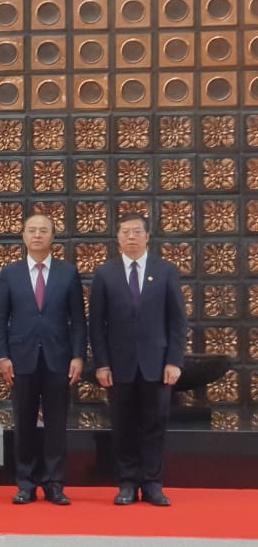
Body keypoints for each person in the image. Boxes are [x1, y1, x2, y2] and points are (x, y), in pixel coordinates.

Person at [90, 213, 186, 507]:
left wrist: (174, 361)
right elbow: (97, 324)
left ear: (148, 237)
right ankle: (128, 483)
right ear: (117, 238)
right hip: (119, 367)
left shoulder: (166, 270)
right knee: (123, 426)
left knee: (155, 425)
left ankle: (153, 483)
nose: (131, 237)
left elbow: (177, 321)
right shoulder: (104, 273)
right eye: (125, 232)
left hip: (157, 365)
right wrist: (102, 363)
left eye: (136, 232)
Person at [0, 214, 86, 506]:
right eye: (32, 230)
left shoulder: (68, 273)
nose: (37, 235)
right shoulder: (10, 273)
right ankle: (26, 483)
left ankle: (55, 483)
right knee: (24, 423)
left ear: (53, 237)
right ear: (23, 236)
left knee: (57, 424)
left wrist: (78, 356)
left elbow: (79, 321)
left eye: (43, 230)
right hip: (21, 360)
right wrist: (2, 356)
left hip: (59, 359)